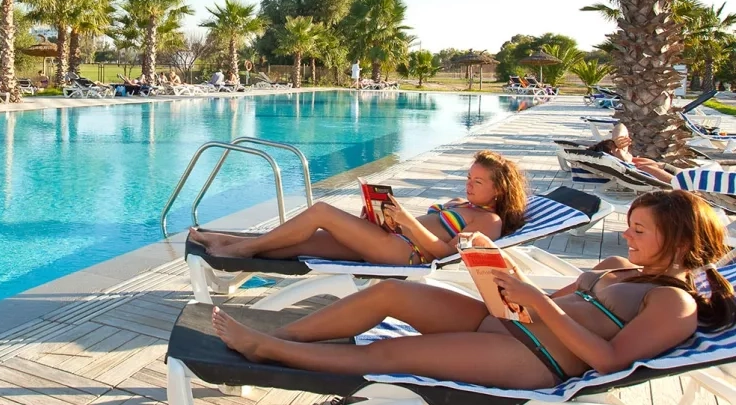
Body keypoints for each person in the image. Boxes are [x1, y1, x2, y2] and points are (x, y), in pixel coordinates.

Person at [211, 189, 736, 389]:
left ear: (680, 240)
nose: (626, 234)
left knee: (395, 353)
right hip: (509, 321)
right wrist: (496, 264)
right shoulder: (621, 266)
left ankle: (271, 351)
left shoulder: (674, 303)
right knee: (389, 295)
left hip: (528, 355)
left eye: (640, 230)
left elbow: (608, 360)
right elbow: (543, 296)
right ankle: (291, 334)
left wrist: (535, 306)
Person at [189, 150, 527, 265]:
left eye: (477, 182)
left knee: (321, 211)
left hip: (407, 254)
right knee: (306, 242)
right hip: (391, 238)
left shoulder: (490, 222)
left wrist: (407, 222)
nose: (468, 184)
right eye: (469, 177)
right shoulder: (462, 203)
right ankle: (226, 241)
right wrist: (383, 216)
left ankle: (240, 250)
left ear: (499, 189)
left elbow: (443, 254)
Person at [588, 122, 676, 183]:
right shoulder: (643, 169)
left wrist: (616, 138)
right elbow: (679, 184)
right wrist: (623, 159)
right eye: (623, 149)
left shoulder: (634, 162)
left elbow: (621, 126)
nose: (627, 148)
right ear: (614, 152)